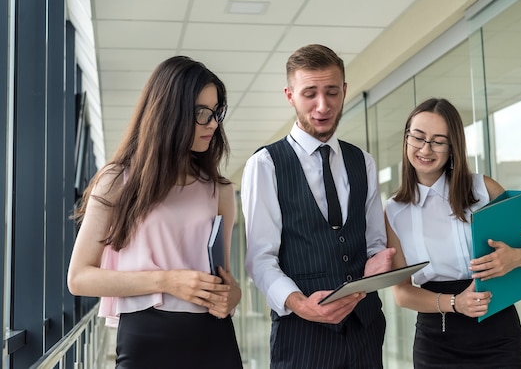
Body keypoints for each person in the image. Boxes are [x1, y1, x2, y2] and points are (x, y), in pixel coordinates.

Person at [67, 56, 243, 368]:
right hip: (146, 337)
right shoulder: (117, 181)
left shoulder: (221, 190)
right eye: (203, 113)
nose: (213, 124)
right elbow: (79, 278)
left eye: (216, 113)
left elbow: (223, 279)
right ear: (169, 113)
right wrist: (165, 281)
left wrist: (233, 295)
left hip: (214, 337)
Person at [241, 44, 396, 369]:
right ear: (290, 95)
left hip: (365, 331)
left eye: (331, 92)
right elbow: (260, 259)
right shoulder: (266, 164)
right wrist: (300, 304)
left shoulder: (362, 162)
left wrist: (376, 262)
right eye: (310, 93)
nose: (322, 105)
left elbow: (373, 242)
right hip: (302, 336)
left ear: (344, 91)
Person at [384, 97, 521, 368]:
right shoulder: (393, 211)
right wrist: (456, 303)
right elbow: (402, 293)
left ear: (453, 148)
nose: (425, 148)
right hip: (435, 340)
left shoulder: (482, 189)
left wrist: (515, 257)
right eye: (418, 137)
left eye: (438, 141)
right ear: (406, 139)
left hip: (497, 331)